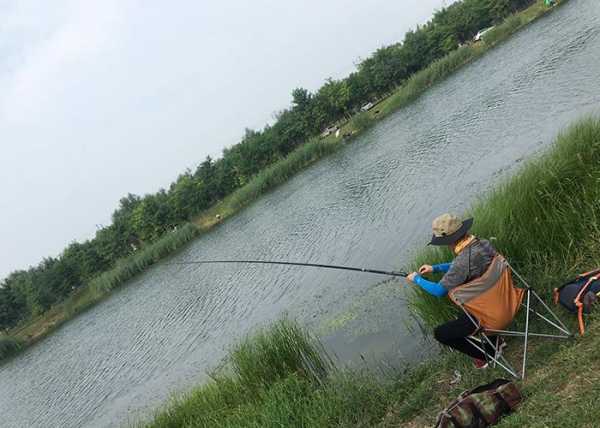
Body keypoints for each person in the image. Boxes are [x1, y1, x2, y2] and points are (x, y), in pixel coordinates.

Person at [406, 213, 504, 369]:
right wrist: (435, 268)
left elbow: (439, 291)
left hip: (490, 313)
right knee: (463, 311)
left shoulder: (462, 263)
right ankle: (494, 340)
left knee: (441, 333)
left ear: (449, 241)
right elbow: (459, 264)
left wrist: (416, 279)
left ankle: (488, 353)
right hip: (506, 298)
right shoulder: (482, 244)